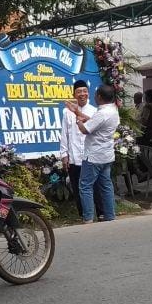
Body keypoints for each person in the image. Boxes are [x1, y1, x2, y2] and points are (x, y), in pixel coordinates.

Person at [66, 84, 119, 223]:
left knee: (85, 186)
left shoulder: (102, 113)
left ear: (99, 97)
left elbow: (85, 130)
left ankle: (88, 217)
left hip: (94, 156)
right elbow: (94, 122)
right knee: (106, 185)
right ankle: (110, 215)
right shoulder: (113, 110)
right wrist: (77, 112)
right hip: (106, 155)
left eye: (94, 94)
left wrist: (78, 121)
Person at [59, 80, 102, 220]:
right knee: (77, 187)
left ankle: (101, 212)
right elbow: (64, 134)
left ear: (88, 93)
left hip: (92, 155)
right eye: (79, 92)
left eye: (84, 91)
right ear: (74, 94)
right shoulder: (67, 112)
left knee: (96, 186)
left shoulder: (94, 111)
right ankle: (83, 214)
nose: (82, 94)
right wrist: (64, 155)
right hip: (74, 156)